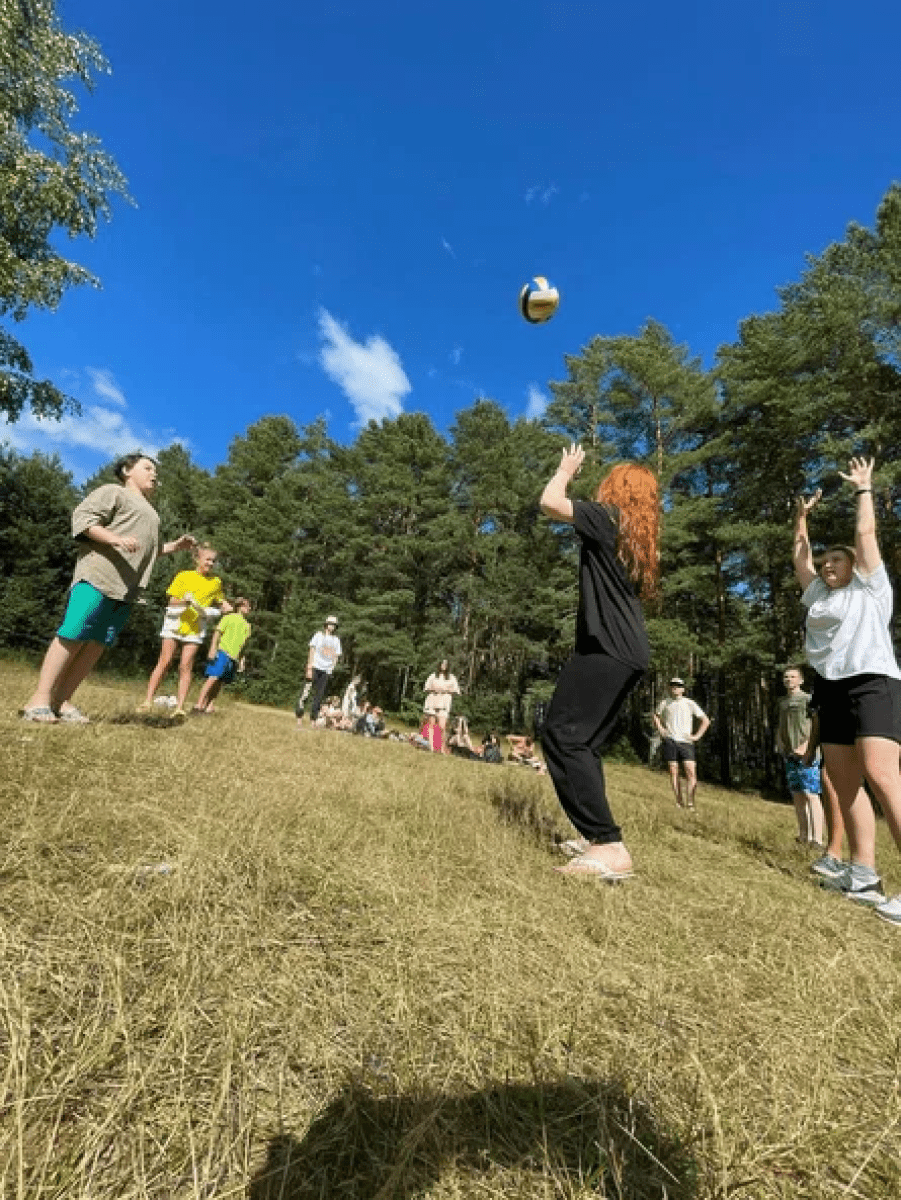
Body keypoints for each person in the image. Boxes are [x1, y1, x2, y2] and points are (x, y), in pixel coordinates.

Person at [539, 447, 658, 880]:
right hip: (627, 652)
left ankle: (608, 844)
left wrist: (565, 469)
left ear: (618, 490)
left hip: (606, 649)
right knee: (582, 743)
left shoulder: (607, 517)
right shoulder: (636, 538)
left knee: (563, 736)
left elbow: (550, 502)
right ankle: (596, 838)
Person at [793, 456, 901, 921]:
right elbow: (800, 558)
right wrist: (801, 519)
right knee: (842, 779)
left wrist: (863, 488)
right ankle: (863, 874)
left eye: (836, 560)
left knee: (880, 773)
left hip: (873, 681)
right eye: (825, 562)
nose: (827, 565)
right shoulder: (819, 594)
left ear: (855, 565)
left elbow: (866, 535)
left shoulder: (872, 588)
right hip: (831, 688)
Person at [21, 453, 196, 724]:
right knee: (73, 633)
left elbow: (146, 551)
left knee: (96, 644)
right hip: (97, 577)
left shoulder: (152, 513)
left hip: (126, 590)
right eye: (147, 468)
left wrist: (174, 546)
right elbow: (84, 519)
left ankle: (62, 702)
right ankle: (39, 700)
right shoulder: (114, 492)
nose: (154, 474)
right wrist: (115, 539)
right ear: (127, 470)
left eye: (155, 471)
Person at [139, 543, 229, 719]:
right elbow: (172, 601)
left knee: (186, 665)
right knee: (165, 661)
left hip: (195, 628)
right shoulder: (184, 576)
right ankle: (147, 701)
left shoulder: (216, 582)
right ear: (197, 559)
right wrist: (187, 601)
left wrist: (225, 607)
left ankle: (179, 708)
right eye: (208, 559)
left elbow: (220, 602)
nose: (211, 563)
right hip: (175, 623)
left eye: (213, 561)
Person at [775, 666, 825, 846]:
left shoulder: (808, 699)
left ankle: (816, 839)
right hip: (790, 754)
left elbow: (817, 724)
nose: (789, 680)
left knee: (811, 794)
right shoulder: (782, 702)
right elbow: (780, 725)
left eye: (793, 677)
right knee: (797, 794)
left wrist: (808, 746)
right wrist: (780, 742)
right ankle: (803, 836)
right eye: (786, 677)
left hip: (808, 754)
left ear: (801, 680)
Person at [653, 678, 711, 810]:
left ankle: (690, 803)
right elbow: (656, 716)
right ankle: (679, 802)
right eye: (672, 685)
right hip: (670, 741)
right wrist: (661, 729)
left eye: (678, 685)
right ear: (669, 687)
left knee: (691, 772)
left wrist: (696, 736)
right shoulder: (665, 703)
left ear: (683, 689)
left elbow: (705, 721)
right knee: (673, 772)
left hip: (686, 742)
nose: (675, 687)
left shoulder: (690, 703)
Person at [193, 598, 252, 714]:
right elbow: (217, 633)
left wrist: (242, 660)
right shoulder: (228, 618)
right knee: (213, 678)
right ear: (239, 607)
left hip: (233, 657)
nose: (249, 608)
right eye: (246, 606)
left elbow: (244, 645)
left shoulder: (247, 626)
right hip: (222, 652)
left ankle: (209, 706)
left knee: (220, 681)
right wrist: (212, 648)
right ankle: (198, 705)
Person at [298, 615, 342, 725]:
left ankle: (313, 719)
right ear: (326, 624)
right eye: (330, 624)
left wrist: (331, 668)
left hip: (325, 671)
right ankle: (299, 716)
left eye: (334, 625)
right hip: (315, 667)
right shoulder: (318, 635)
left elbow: (336, 655)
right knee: (305, 693)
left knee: (319, 696)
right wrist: (309, 667)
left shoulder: (336, 640)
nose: (332, 626)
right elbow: (312, 650)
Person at [423, 659, 462, 746]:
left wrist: (446, 690)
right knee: (431, 724)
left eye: (445, 664)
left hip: (444, 702)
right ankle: (431, 746)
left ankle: (442, 746)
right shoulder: (433, 676)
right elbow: (426, 688)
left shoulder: (451, 678)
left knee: (442, 726)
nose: (443, 666)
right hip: (433, 700)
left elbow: (456, 691)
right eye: (442, 664)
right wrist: (434, 689)